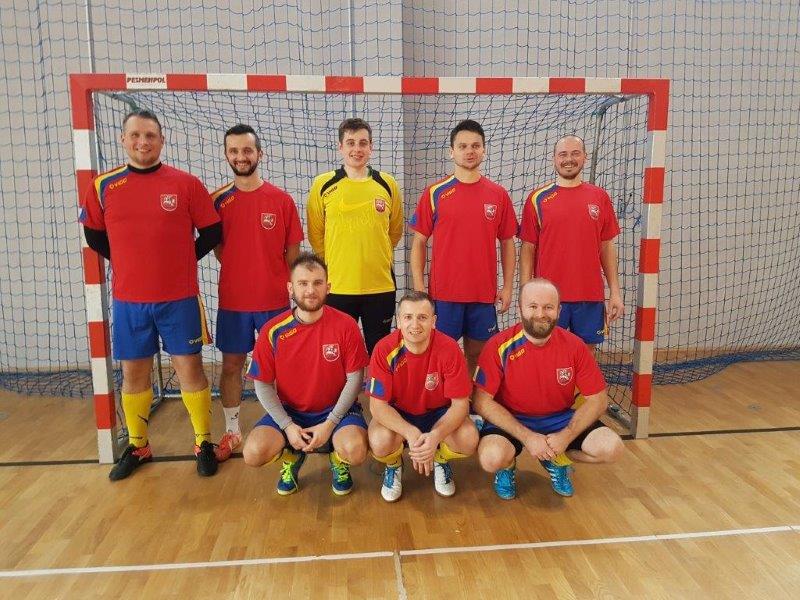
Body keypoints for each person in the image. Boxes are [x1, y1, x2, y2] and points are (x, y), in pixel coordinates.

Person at [80, 109, 222, 480]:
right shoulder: (103, 186)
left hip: (179, 299)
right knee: (133, 373)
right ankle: (139, 445)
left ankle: (203, 442)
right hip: (130, 301)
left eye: (150, 136)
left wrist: (180, 260)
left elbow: (212, 231)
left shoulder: (186, 183)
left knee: (190, 369)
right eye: (136, 135)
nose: (143, 142)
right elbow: (93, 234)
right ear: (123, 139)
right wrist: (126, 261)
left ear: (161, 140)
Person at [473, 278, 624, 500]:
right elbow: (481, 401)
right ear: (520, 309)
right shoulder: (498, 345)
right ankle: (506, 467)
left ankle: (557, 459)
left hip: (559, 419)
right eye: (533, 306)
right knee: (491, 459)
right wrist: (528, 437)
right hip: (513, 418)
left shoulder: (575, 346)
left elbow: (598, 400)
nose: (540, 314)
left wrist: (566, 436)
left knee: (612, 448)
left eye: (548, 307)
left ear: (559, 311)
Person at [210, 124, 303, 461]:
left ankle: (287, 427)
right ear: (226, 155)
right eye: (234, 151)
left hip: (273, 302)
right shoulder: (217, 201)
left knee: (282, 368)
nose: (241, 156)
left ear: (259, 154)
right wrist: (242, 271)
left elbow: (292, 252)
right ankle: (232, 429)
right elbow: (218, 247)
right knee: (232, 364)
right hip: (233, 302)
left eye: (247, 150)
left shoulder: (281, 200)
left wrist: (287, 289)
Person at [242, 253, 369, 496]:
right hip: (291, 412)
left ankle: (338, 459)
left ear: (328, 287)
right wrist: (288, 426)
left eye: (317, 283)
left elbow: (355, 378)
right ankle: (292, 456)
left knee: (355, 450)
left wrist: (330, 423)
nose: (310, 290)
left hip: (338, 411)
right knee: (253, 453)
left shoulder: (346, 325)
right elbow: (263, 385)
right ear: (291, 288)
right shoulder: (272, 331)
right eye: (303, 283)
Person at [409, 119, 517, 374]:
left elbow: (507, 243)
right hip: (443, 297)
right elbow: (419, 242)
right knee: (438, 357)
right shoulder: (435, 193)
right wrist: (420, 287)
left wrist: (508, 286)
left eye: (475, 146)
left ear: (484, 150)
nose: (470, 151)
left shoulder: (498, 194)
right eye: (463, 146)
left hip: (483, 295)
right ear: (452, 151)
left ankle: (471, 398)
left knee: (479, 357)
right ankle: (444, 398)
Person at [367, 291, 478, 502]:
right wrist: (410, 432)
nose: (415, 324)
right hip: (399, 413)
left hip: (438, 413)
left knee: (468, 437)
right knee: (380, 441)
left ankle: (440, 458)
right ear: (399, 321)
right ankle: (394, 464)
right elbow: (377, 407)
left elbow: (460, 406)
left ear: (434, 321)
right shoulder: (384, 349)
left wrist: (435, 436)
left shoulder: (449, 348)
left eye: (422, 317)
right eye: (408, 317)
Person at [307, 118, 403, 354]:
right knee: (338, 354)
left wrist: (374, 253)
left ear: (371, 147)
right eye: (350, 143)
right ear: (341, 147)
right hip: (337, 286)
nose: (357, 149)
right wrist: (337, 263)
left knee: (379, 354)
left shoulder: (387, 183)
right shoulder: (323, 184)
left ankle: (376, 383)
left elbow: (395, 231)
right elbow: (316, 234)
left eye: (362, 143)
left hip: (379, 286)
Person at [518, 134, 623, 349]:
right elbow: (528, 248)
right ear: (554, 159)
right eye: (563, 154)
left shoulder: (600, 197)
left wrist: (615, 291)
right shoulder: (537, 199)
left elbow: (606, 246)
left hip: (589, 296)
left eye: (575, 153)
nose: (569, 159)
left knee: (585, 356)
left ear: (585, 157)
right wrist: (525, 292)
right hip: (547, 298)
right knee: (545, 353)